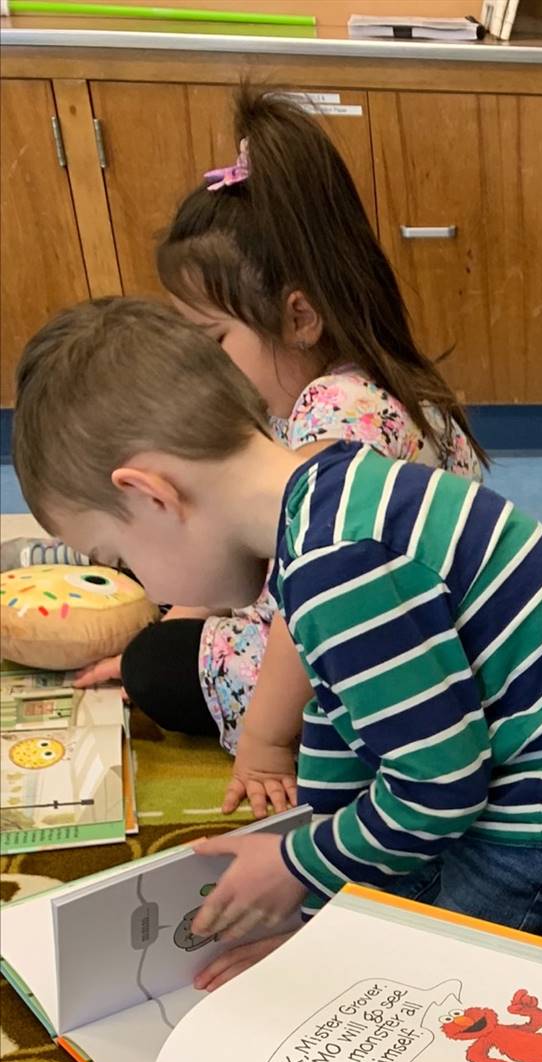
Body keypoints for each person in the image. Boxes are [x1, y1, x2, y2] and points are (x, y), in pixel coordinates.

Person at [13, 298, 542, 965]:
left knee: (414, 992)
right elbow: (347, 733)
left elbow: (438, 794)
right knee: (372, 916)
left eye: (121, 557)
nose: (148, 590)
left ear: (152, 495)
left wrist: (297, 869)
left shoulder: (339, 565)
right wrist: (320, 900)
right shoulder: (323, 501)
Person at [74, 86, 485, 822]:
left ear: (298, 317)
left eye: (214, 342)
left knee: (154, 664)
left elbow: (310, 608)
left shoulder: (339, 415)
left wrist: (264, 741)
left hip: (377, 657)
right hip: (386, 627)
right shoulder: (359, 381)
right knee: (171, 569)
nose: (206, 368)